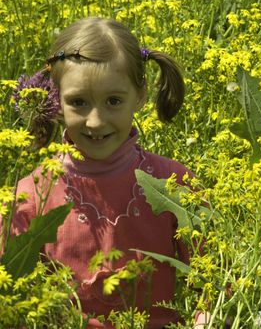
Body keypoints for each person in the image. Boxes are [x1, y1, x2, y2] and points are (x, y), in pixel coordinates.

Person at [8, 17, 209, 328]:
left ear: (140, 96)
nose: (96, 121)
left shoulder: (174, 182)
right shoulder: (30, 195)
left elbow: (216, 279)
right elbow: (12, 295)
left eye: (113, 101)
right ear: (55, 101)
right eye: (79, 102)